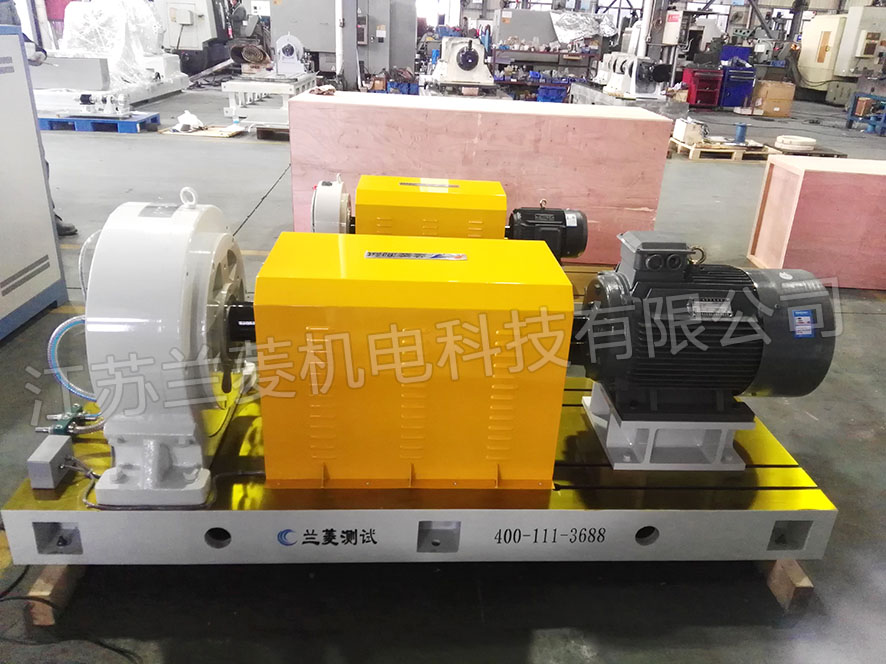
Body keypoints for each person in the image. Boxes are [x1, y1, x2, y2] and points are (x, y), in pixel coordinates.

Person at [1, 0, 78, 236]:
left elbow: (11, 32)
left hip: (14, 94)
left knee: (34, 157)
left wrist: (33, 49)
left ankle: (44, 215)